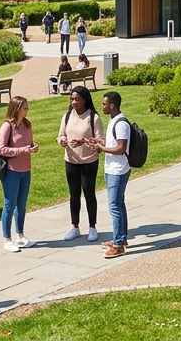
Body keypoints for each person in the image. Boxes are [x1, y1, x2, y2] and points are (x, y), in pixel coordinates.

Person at [57, 86, 103, 243]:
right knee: (74, 195)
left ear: (85, 100)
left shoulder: (93, 118)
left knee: (89, 193)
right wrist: (62, 141)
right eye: (72, 99)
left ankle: (92, 227)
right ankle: (75, 226)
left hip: (88, 161)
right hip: (71, 161)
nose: (74, 102)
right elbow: (61, 134)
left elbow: (100, 142)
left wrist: (83, 141)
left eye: (77, 99)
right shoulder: (67, 116)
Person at [91, 90, 132, 258]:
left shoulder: (121, 123)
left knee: (114, 206)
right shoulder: (113, 121)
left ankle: (118, 244)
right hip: (112, 168)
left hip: (118, 170)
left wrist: (101, 148)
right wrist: (99, 143)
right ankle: (120, 239)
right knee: (118, 204)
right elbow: (113, 144)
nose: (103, 106)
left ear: (112, 105)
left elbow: (121, 148)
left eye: (104, 104)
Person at [0, 96, 38, 252]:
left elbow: (28, 143)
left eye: (27, 107)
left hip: (26, 170)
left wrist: (32, 147)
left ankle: (20, 236)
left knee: (22, 205)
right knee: (10, 205)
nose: (27, 110)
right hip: (11, 171)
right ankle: (7, 239)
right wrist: (23, 150)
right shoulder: (7, 126)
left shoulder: (27, 124)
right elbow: (0, 149)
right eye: (25, 108)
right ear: (16, 109)